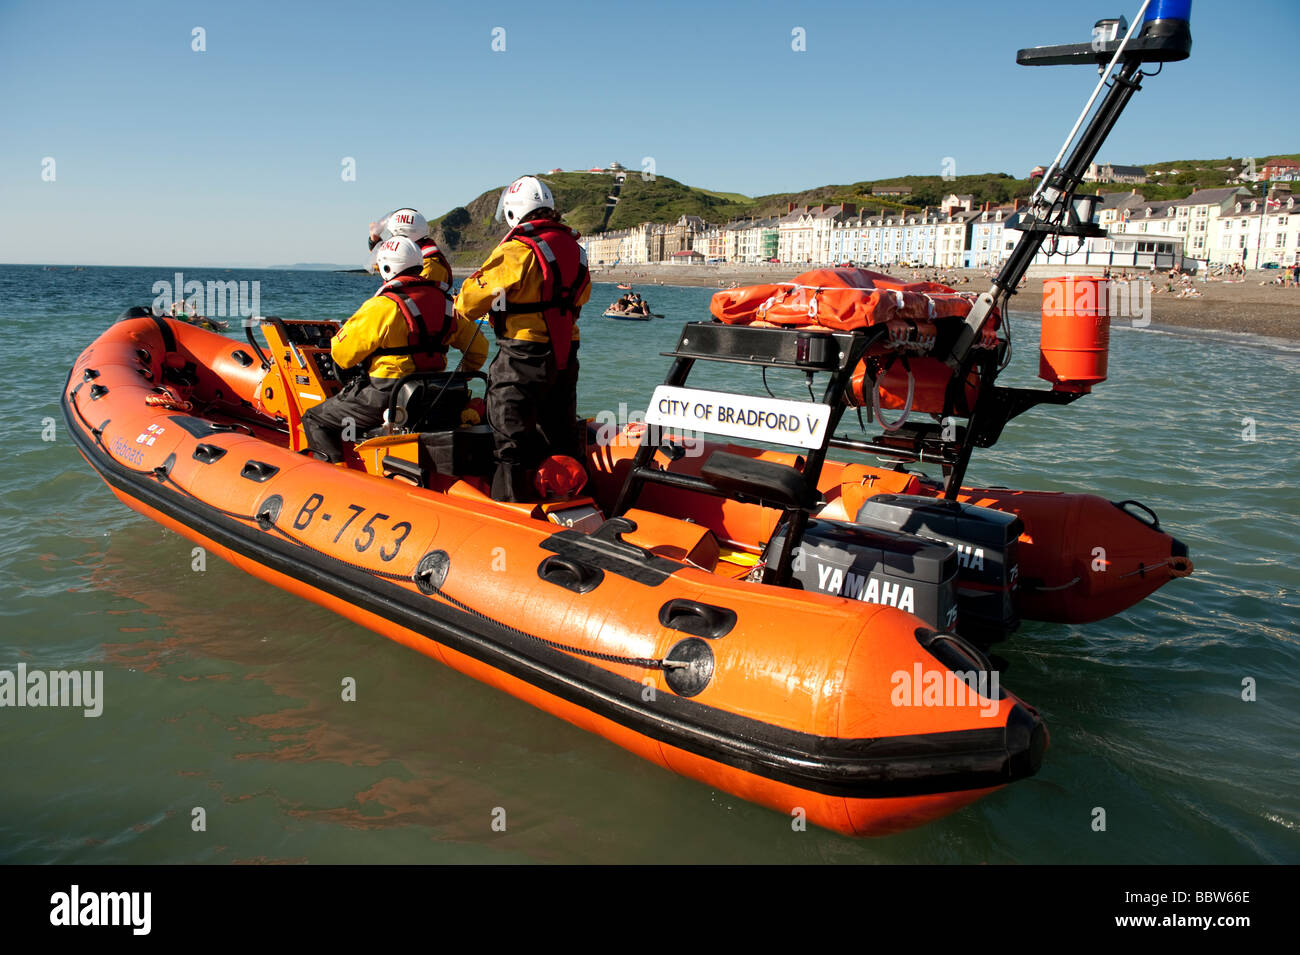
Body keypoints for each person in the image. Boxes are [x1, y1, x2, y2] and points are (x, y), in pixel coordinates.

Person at [454, 175, 591, 501]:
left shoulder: (517, 251)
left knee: (509, 444)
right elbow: (580, 297)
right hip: (565, 358)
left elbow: (469, 303)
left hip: (521, 359)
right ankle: (574, 503)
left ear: (513, 214)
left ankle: (511, 522)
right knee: (561, 437)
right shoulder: (577, 249)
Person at [302, 236, 487, 462]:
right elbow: (478, 349)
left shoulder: (382, 306)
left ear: (387, 267)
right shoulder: (448, 304)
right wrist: (458, 376)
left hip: (386, 395)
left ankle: (334, 476)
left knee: (315, 419)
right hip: (436, 393)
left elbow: (342, 356)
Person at [369, 208, 453, 285]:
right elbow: (388, 267)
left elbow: (414, 290)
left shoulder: (429, 265)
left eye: (393, 235)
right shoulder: (418, 255)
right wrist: (374, 241)